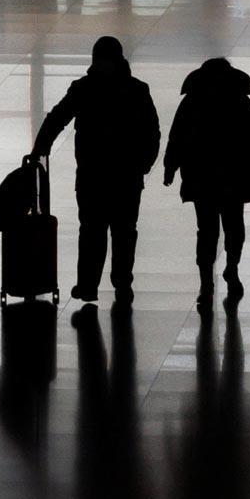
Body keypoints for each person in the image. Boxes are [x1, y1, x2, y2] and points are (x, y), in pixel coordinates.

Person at [31, 36, 160, 306]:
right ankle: (120, 283)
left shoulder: (84, 89)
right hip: (126, 176)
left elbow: (57, 118)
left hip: (94, 174)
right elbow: (152, 132)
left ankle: (90, 285)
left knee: (94, 231)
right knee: (122, 231)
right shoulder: (137, 90)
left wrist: (41, 147)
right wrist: (144, 164)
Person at [162, 58, 250, 306]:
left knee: (207, 230)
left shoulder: (191, 102)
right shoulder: (241, 101)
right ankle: (231, 269)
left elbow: (176, 137)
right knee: (234, 226)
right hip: (236, 176)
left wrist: (170, 167)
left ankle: (206, 283)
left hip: (201, 177)